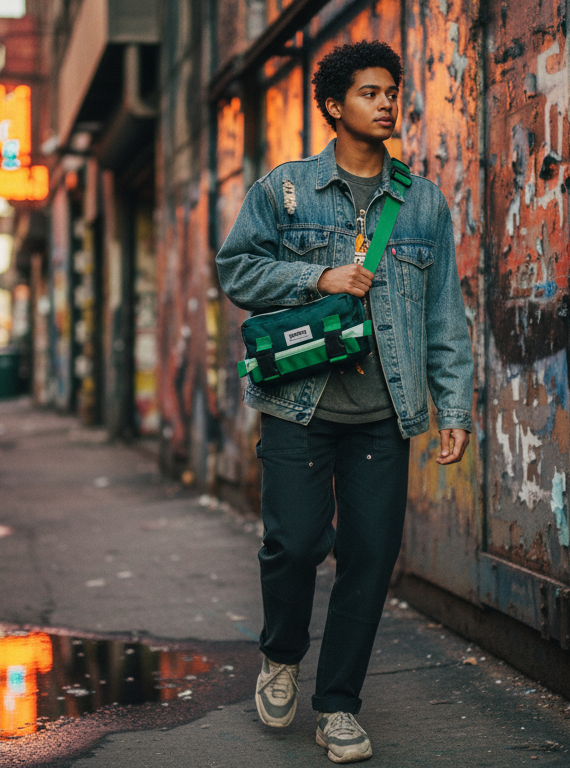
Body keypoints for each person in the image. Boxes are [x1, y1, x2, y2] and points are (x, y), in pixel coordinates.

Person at [215, 40, 474, 764]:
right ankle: (281, 654)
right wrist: (318, 277)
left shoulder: (421, 203)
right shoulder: (287, 190)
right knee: (293, 543)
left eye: (392, 91)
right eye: (369, 92)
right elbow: (237, 269)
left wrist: (452, 408)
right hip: (300, 404)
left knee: (370, 557)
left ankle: (338, 706)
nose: (387, 102)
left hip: (382, 413)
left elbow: (444, 315)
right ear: (334, 105)